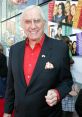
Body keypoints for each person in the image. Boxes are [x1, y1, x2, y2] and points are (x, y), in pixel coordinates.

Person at [4, 5, 73, 117]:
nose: (33, 26)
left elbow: (67, 81)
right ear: (22, 24)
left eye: (37, 21)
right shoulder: (14, 50)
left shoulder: (60, 48)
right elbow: (10, 85)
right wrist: (7, 112)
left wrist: (57, 93)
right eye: (27, 22)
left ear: (44, 23)